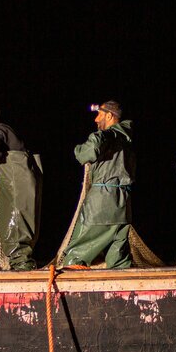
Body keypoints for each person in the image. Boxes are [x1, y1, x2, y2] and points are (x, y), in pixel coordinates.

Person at [61, 100, 136, 268]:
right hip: (123, 204)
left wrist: (78, 150)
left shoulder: (107, 135)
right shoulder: (127, 139)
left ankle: (69, 290)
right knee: (118, 259)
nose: (96, 120)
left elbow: (88, 152)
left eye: (99, 114)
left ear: (109, 116)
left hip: (102, 203)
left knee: (76, 255)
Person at [0, 107, 42, 271]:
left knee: (16, 219)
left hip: (18, 182)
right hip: (20, 181)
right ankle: (21, 260)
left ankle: (20, 261)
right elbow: (7, 173)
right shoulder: (8, 132)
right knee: (23, 216)